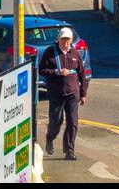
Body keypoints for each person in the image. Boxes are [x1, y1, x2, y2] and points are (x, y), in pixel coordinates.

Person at [38, 27, 89, 160]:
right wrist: (56, 72)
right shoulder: (50, 52)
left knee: (73, 122)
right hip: (56, 93)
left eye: (68, 39)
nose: (66, 42)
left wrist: (83, 93)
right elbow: (41, 70)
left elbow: (81, 73)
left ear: (71, 40)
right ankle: (50, 138)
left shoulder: (74, 53)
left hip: (73, 93)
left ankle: (69, 151)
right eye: (63, 39)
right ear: (59, 40)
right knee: (56, 121)